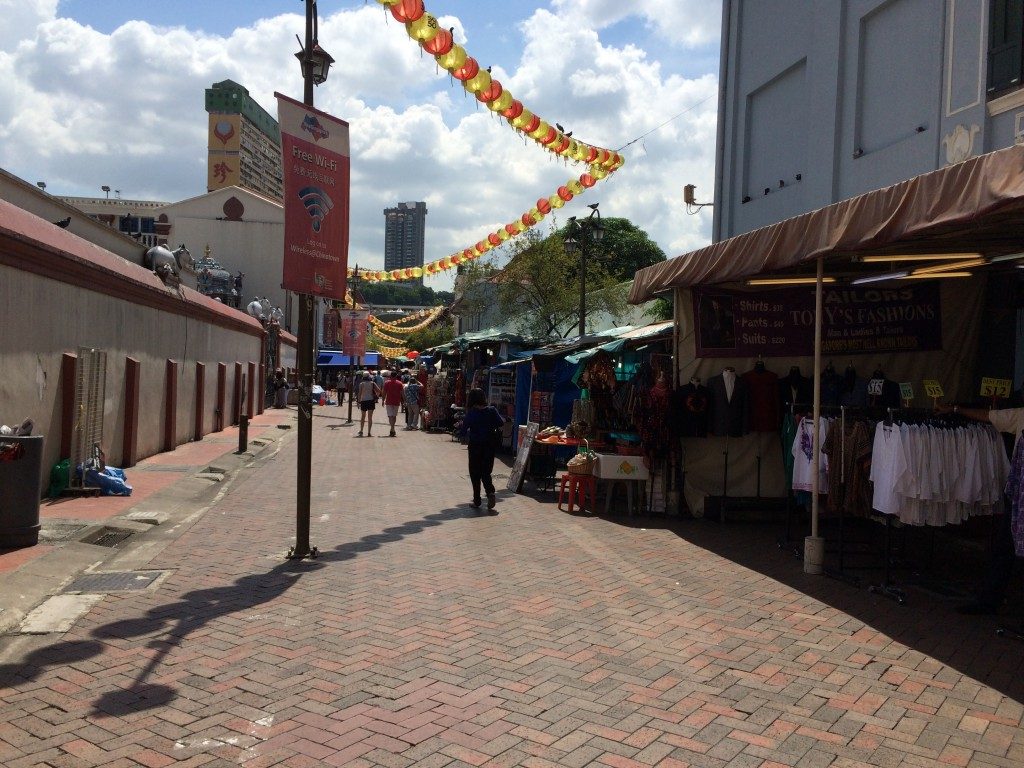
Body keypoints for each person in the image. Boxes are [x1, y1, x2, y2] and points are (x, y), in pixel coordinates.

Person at [937, 403, 1023, 614]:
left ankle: (991, 600)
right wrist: (956, 410)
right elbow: (990, 415)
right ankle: (989, 599)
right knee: (1004, 548)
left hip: (1018, 497)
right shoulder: (1020, 415)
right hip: (1019, 498)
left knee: (1005, 549)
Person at [459, 387, 504, 512]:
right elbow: (500, 423)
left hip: (475, 446)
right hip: (489, 445)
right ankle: (490, 493)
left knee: (475, 473)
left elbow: (463, 431)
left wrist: (464, 431)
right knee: (486, 472)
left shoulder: (471, 413)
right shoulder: (492, 410)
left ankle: (477, 500)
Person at [355, 371, 380, 437]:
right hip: (371, 401)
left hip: (364, 401)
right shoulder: (372, 383)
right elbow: (379, 390)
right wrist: (375, 396)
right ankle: (369, 432)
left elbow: (359, 394)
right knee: (370, 417)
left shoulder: (361, 384)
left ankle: (361, 431)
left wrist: (358, 402)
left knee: (363, 417)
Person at [382, 370, 405, 437]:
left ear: (390, 376)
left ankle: (392, 429)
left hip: (389, 401)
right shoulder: (400, 383)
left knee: (390, 416)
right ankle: (392, 429)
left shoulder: (387, 383)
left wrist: (383, 400)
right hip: (396, 402)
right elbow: (403, 393)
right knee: (394, 416)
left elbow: (384, 392)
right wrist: (404, 401)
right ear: (396, 376)